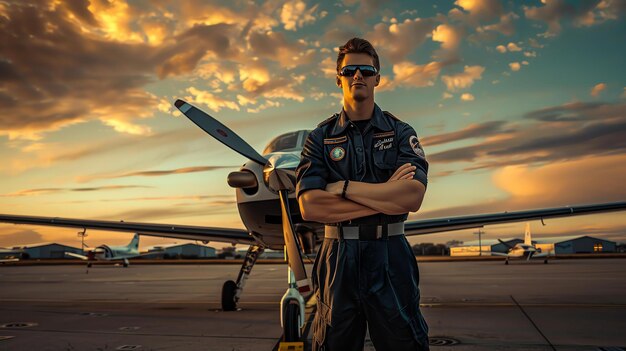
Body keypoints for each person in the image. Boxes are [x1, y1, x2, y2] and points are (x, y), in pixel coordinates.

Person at [296, 37, 430, 350]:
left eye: (366, 71)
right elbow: (310, 207)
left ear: (377, 78)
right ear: (338, 78)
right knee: (332, 343)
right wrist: (386, 195)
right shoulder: (319, 138)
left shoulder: (401, 132)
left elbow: (412, 198)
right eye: (350, 70)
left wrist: (343, 189)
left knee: (405, 342)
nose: (358, 76)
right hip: (337, 258)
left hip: (391, 254)